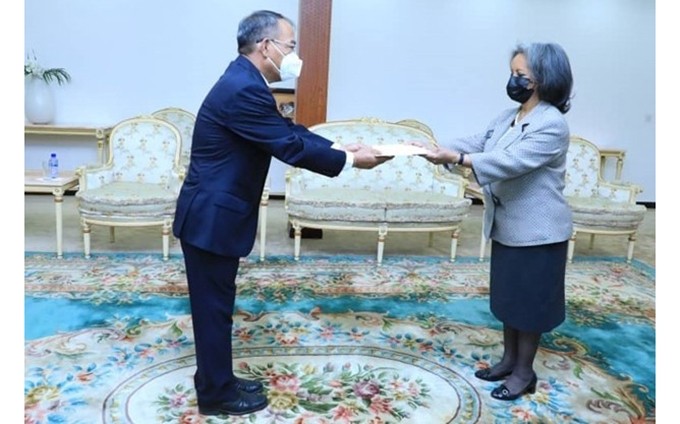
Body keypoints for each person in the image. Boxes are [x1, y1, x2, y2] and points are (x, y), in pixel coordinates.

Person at [172, 10, 391, 417]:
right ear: (265, 46)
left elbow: (288, 132)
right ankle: (216, 396)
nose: (294, 56)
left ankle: (217, 379)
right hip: (211, 219)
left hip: (213, 214)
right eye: (290, 46)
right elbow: (287, 147)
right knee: (213, 309)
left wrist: (341, 146)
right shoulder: (243, 89)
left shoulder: (245, 81)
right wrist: (350, 161)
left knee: (216, 305)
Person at [418, 42, 574, 401]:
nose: (514, 80)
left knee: (530, 303)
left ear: (544, 79)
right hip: (508, 225)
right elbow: (480, 141)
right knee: (509, 298)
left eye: (522, 75)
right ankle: (508, 360)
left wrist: (458, 158)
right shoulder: (510, 116)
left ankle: (524, 373)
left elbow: (510, 161)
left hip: (539, 231)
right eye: (513, 73)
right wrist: (431, 147)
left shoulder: (551, 123)